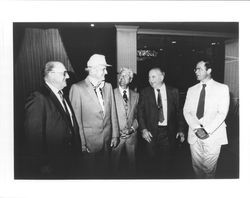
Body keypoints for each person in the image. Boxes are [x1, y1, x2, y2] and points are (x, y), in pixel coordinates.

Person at [24, 61, 82, 178]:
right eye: (64, 73)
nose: (68, 76)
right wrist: (42, 164)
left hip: (69, 161)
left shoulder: (63, 95)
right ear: (51, 74)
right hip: (53, 165)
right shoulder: (38, 98)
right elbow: (33, 137)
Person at [69, 54, 119, 177]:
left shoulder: (108, 86)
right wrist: (82, 145)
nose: (106, 72)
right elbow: (76, 121)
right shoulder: (77, 88)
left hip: (107, 142)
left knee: (105, 174)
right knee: (90, 176)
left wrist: (115, 135)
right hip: (89, 145)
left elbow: (113, 112)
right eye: (103, 69)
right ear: (94, 69)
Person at [183, 60, 230, 179]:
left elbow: (222, 113)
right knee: (197, 168)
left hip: (213, 135)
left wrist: (206, 131)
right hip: (194, 135)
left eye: (199, 69)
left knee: (209, 170)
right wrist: (196, 128)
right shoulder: (191, 89)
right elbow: (186, 111)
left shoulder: (222, 88)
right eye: (195, 69)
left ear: (209, 71)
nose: (196, 71)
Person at [138, 67, 185, 177]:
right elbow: (140, 113)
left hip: (168, 133)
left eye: (153, 77)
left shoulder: (173, 91)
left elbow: (179, 113)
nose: (150, 80)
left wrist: (181, 130)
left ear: (162, 77)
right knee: (151, 164)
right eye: (149, 77)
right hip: (150, 134)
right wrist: (143, 129)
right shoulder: (145, 92)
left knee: (167, 165)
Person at [111, 67, 139, 177]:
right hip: (116, 137)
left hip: (132, 137)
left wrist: (132, 129)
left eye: (125, 76)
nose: (121, 78)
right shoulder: (111, 93)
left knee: (133, 167)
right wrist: (116, 132)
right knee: (113, 166)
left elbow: (138, 116)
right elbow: (108, 117)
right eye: (120, 75)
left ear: (131, 79)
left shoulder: (136, 95)